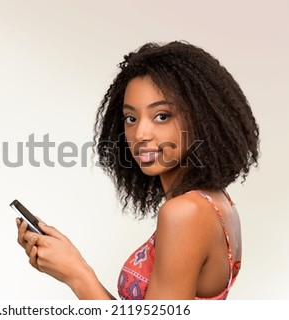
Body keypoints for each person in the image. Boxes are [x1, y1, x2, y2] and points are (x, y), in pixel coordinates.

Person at [16, 41, 260, 300]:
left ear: (202, 118)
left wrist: (77, 274)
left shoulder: (185, 213)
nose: (140, 134)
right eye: (131, 118)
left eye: (162, 116)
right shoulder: (217, 203)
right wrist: (71, 263)